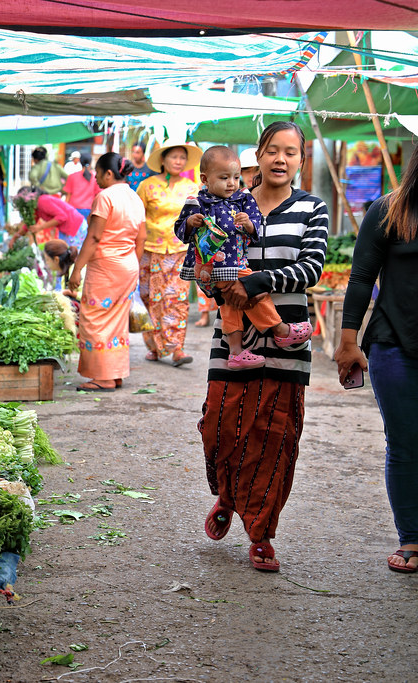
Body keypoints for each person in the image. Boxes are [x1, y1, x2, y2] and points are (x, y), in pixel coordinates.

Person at [199, 122, 328, 572]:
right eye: (273, 150)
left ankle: (261, 533)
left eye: (290, 152)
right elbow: (203, 255)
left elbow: (312, 267)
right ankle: (229, 493)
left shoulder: (313, 207)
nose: (280, 159)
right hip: (234, 337)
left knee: (275, 438)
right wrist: (214, 281)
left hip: (288, 334)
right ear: (257, 153)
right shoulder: (227, 200)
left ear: (300, 160)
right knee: (219, 426)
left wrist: (258, 280)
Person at [335, 149, 418, 573]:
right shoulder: (389, 210)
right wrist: (348, 341)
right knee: (405, 445)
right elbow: (361, 277)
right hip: (393, 344)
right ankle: (412, 538)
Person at [175, 146, 312, 369]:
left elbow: (256, 228)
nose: (232, 183)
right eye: (224, 177)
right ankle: (281, 330)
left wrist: (248, 224)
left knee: (230, 305)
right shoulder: (197, 202)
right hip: (210, 267)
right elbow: (181, 231)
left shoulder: (243, 200)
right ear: (205, 179)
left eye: (236, 177)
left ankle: (236, 351)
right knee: (256, 295)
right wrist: (190, 223)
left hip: (233, 264)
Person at [44, 153, 146, 391]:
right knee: (116, 321)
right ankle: (115, 374)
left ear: (109, 174)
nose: (96, 179)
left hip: (106, 268)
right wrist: (132, 266)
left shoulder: (105, 197)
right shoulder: (134, 197)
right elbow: (141, 238)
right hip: (128, 265)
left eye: (99, 174)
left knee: (95, 319)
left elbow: (95, 236)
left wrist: (76, 269)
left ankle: (104, 377)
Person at [136, 140, 202, 366]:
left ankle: (177, 349)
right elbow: (137, 218)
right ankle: (154, 346)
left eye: (182, 158)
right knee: (151, 299)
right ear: (162, 160)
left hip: (181, 251)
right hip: (150, 250)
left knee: (177, 299)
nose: (178, 161)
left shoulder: (192, 187)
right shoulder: (146, 185)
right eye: (173, 157)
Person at [61, 152, 101, 220]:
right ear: (91, 163)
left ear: (80, 161)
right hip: (89, 210)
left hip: (73, 210)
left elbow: (68, 196)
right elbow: (98, 195)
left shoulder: (72, 176)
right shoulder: (95, 177)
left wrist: (64, 211)